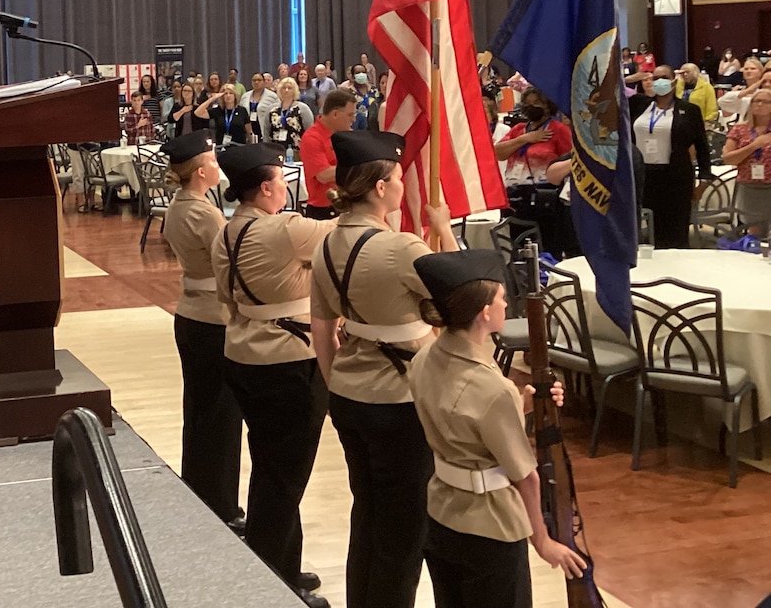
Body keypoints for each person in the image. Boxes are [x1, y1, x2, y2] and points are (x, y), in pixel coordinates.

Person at [310, 131, 457, 608]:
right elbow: (465, 300)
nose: (401, 186)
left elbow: (321, 327)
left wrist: (336, 385)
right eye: (396, 177)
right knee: (404, 528)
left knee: (368, 514)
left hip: (350, 394)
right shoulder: (402, 248)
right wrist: (447, 231)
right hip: (399, 399)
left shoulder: (326, 244)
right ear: (378, 187)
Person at [408, 250, 585, 608]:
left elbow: (463, 419)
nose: (508, 305)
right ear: (484, 312)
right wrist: (542, 540)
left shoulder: (425, 357)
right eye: (503, 299)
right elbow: (526, 477)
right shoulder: (492, 389)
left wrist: (525, 401)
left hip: (442, 513)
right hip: (491, 529)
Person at [211, 143, 333, 608]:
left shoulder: (227, 230)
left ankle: (281, 560)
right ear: (265, 189)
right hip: (288, 360)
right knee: (284, 476)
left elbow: (226, 296)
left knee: (271, 466)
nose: (286, 187)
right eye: (282, 181)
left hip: (244, 353)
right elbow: (351, 234)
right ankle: (272, 582)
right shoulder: (283, 228)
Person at [160, 131, 243, 531]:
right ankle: (221, 505)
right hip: (212, 317)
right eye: (211, 160)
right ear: (199, 171)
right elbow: (232, 259)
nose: (216, 164)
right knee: (220, 417)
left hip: (193, 312)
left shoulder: (185, 204)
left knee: (200, 412)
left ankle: (202, 492)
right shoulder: (203, 213)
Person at [629, 66, 713, 248]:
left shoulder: (689, 110)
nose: (659, 81)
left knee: (674, 231)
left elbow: (702, 146)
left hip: (675, 176)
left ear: (674, 80)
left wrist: (704, 179)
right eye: (655, 77)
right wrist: (631, 78)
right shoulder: (638, 104)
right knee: (643, 229)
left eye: (664, 77)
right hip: (643, 175)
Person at [493, 87, 572, 187]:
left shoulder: (558, 129)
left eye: (536, 103)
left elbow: (568, 163)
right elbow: (498, 153)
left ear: (548, 106)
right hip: (514, 189)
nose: (531, 106)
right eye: (527, 103)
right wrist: (525, 138)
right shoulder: (518, 129)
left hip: (545, 191)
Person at [299, 90, 356, 219]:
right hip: (325, 210)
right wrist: (359, 168)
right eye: (350, 115)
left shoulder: (348, 134)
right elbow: (323, 175)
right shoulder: (312, 138)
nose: (353, 119)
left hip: (350, 204)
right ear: (335, 114)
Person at [723, 88, 771, 238]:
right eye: (756, 101)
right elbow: (728, 158)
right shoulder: (740, 129)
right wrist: (753, 146)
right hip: (749, 187)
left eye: (765, 101)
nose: (759, 104)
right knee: (755, 232)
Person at [269, 78, 316, 157]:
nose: (286, 90)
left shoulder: (303, 108)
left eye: (289, 88)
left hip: (297, 151)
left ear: (294, 90)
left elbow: (310, 131)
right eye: (284, 88)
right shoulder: (272, 109)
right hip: (276, 151)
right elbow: (267, 130)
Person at [720, 57, 764, 122]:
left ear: (761, 72)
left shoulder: (765, 90)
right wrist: (733, 94)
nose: (749, 71)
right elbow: (726, 114)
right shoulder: (738, 90)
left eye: (753, 69)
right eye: (746, 69)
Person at [676, 62, 719, 127]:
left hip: (699, 123)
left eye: (687, 72)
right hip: (679, 122)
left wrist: (707, 123)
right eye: (682, 73)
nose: (685, 74)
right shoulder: (677, 85)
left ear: (695, 73)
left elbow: (712, 109)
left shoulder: (706, 87)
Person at [241, 72, 278, 141]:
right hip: (248, 132)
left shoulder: (272, 96)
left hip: (263, 130)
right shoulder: (245, 96)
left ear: (264, 82)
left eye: (259, 80)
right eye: (254, 80)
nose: (256, 82)